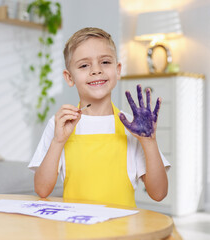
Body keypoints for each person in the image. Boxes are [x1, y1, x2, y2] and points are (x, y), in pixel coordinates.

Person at [28, 27, 170, 208]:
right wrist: (57, 141)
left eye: (105, 62)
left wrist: (149, 141)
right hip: (77, 229)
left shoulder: (133, 127)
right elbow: (42, 190)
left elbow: (159, 193)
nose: (96, 70)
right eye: (84, 65)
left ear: (117, 70)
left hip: (122, 232)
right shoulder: (61, 126)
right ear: (69, 77)